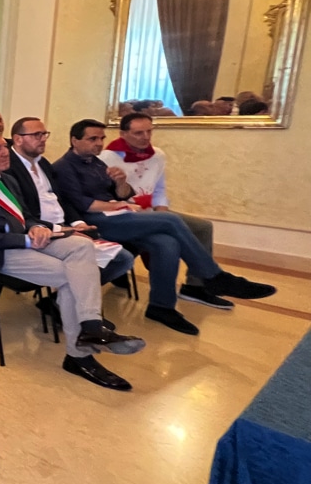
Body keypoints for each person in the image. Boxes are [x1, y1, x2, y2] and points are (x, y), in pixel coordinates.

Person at [0, 131, 145, 391]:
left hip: (26, 240)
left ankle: (91, 325)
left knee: (81, 245)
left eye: (4, 147)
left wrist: (37, 228)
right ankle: (79, 356)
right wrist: (26, 240)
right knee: (71, 276)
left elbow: (25, 215)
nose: (5, 152)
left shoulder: (7, 179)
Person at [53, 120, 276, 335]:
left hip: (118, 215)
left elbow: (123, 194)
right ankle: (214, 276)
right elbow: (81, 204)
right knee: (170, 220)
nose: (99, 143)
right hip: (95, 221)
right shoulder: (63, 167)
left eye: (101, 138)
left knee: (166, 243)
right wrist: (117, 205)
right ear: (74, 140)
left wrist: (121, 183)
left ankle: (161, 306)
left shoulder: (97, 163)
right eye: (92, 139)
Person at [100, 112, 220, 307]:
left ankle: (196, 286)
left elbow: (159, 188)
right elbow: (102, 195)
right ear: (123, 134)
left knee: (203, 227)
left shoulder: (157, 155)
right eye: (138, 133)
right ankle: (203, 279)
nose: (146, 137)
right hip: (124, 212)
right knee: (167, 239)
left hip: (150, 210)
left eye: (149, 131)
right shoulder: (107, 157)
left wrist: (161, 210)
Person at [5, 117, 135, 286]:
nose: (43, 139)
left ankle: (67, 296)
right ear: (18, 139)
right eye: (37, 135)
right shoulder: (8, 167)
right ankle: (76, 294)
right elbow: (21, 211)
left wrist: (78, 222)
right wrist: (60, 229)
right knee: (104, 261)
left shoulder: (43, 163)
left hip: (64, 225)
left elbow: (61, 199)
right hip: (42, 231)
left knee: (124, 258)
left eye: (44, 134)